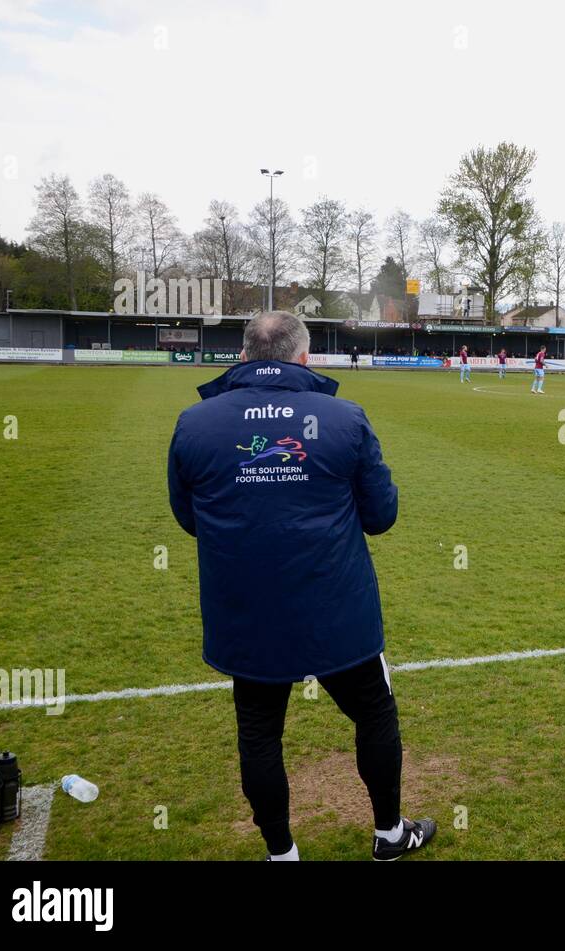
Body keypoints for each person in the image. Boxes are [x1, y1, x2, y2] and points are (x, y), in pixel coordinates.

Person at [167, 311, 434, 862]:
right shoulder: (345, 417)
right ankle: (388, 833)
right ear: (305, 356)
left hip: (247, 610)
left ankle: (282, 854)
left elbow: (189, 518)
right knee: (375, 714)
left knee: (260, 733)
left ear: (242, 356)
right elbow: (381, 516)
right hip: (336, 606)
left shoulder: (194, 422)